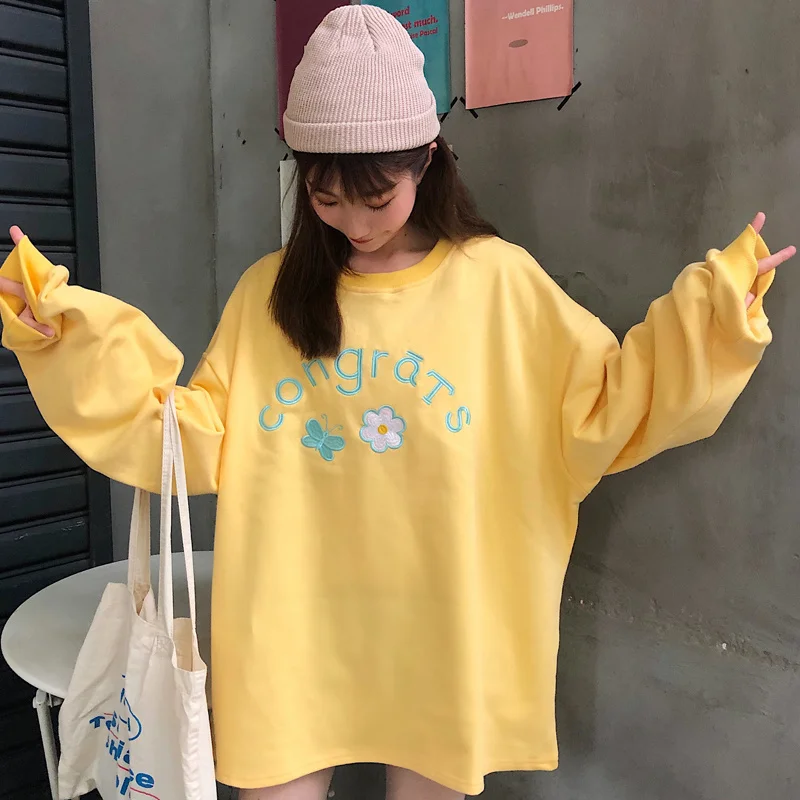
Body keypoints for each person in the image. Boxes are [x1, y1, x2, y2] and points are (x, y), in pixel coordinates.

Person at [0, 5, 795, 800]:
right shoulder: (269, 293)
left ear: (428, 161)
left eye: (376, 198)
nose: (354, 223)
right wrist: (67, 340)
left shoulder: (497, 284)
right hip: (290, 632)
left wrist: (713, 318)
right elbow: (191, 437)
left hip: (439, 630)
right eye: (326, 197)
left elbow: (605, 406)